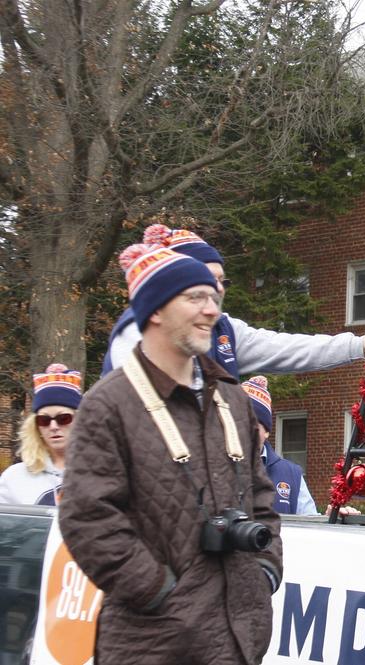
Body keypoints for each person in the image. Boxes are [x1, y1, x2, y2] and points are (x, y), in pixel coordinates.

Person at [59, 242, 281, 665]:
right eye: (194, 297)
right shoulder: (108, 405)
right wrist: (159, 591)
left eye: (213, 298)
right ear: (155, 310)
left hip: (238, 639)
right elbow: (87, 518)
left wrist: (264, 572)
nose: (211, 310)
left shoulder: (232, 401)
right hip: (153, 644)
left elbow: (261, 497)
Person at [102, 220, 365, 378]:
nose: (217, 290)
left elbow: (285, 348)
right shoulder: (136, 329)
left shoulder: (225, 329)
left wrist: (357, 344)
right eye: (204, 280)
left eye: (221, 281)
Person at [0, 364, 82, 505]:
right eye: (44, 420)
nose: (53, 426)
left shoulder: (105, 472)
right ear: (36, 427)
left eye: (63, 419)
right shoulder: (14, 478)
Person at [241, 375, 319, 515]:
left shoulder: (291, 474)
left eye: (254, 422)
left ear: (267, 432)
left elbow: (311, 524)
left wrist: (333, 518)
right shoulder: (216, 467)